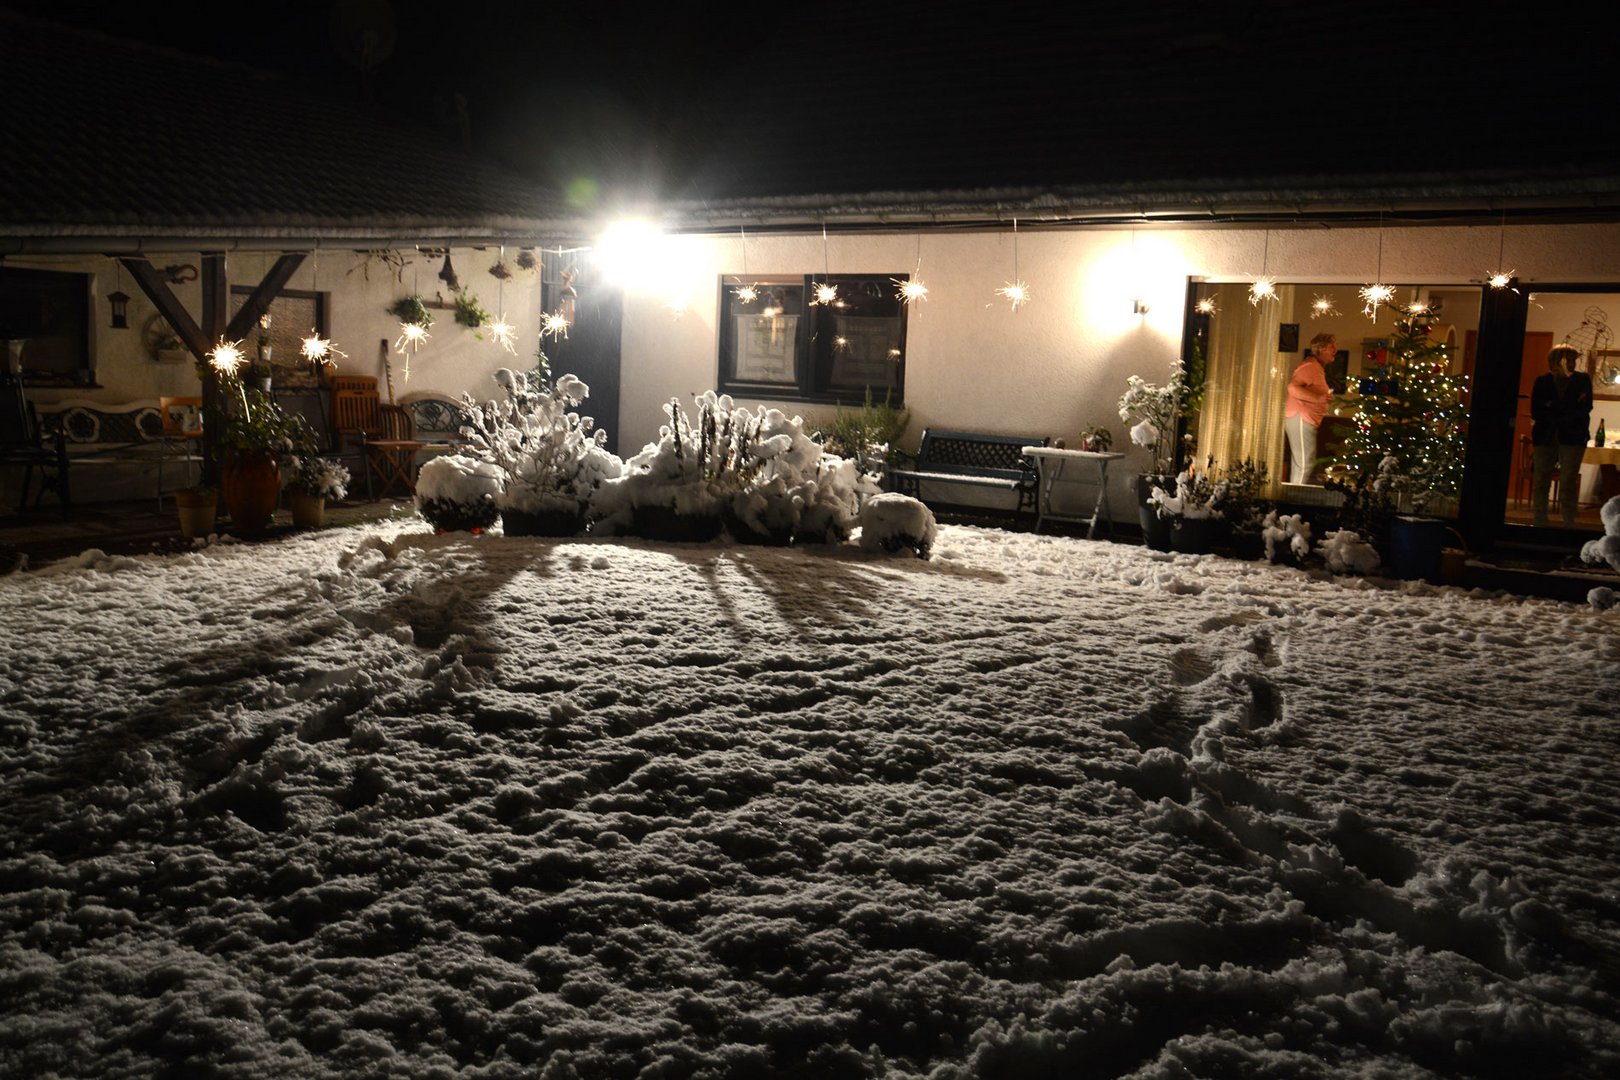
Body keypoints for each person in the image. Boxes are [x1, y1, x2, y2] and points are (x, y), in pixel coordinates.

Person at [1530, 343, 1594, 527]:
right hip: (1545, 436)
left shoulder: (1582, 380)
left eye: (1574, 360)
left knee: (1568, 480)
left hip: (1573, 436)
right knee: (1541, 479)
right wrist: (1569, 405)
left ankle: (1569, 522)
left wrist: (1552, 405)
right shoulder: (1542, 381)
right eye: (1569, 360)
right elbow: (1536, 411)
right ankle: (1539, 520)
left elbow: (1585, 408)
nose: (1573, 363)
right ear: (1556, 361)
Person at [1285, 333, 1336, 484]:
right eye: (1331, 346)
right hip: (1300, 417)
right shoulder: (1311, 366)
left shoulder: (1317, 368)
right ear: (1321, 348)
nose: (1335, 350)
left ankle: (1294, 493)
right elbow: (1292, 387)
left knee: (1304, 461)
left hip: (1305, 419)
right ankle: (1294, 497)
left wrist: (1323, 399)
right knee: (1303, 462)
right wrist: (1318, 399)